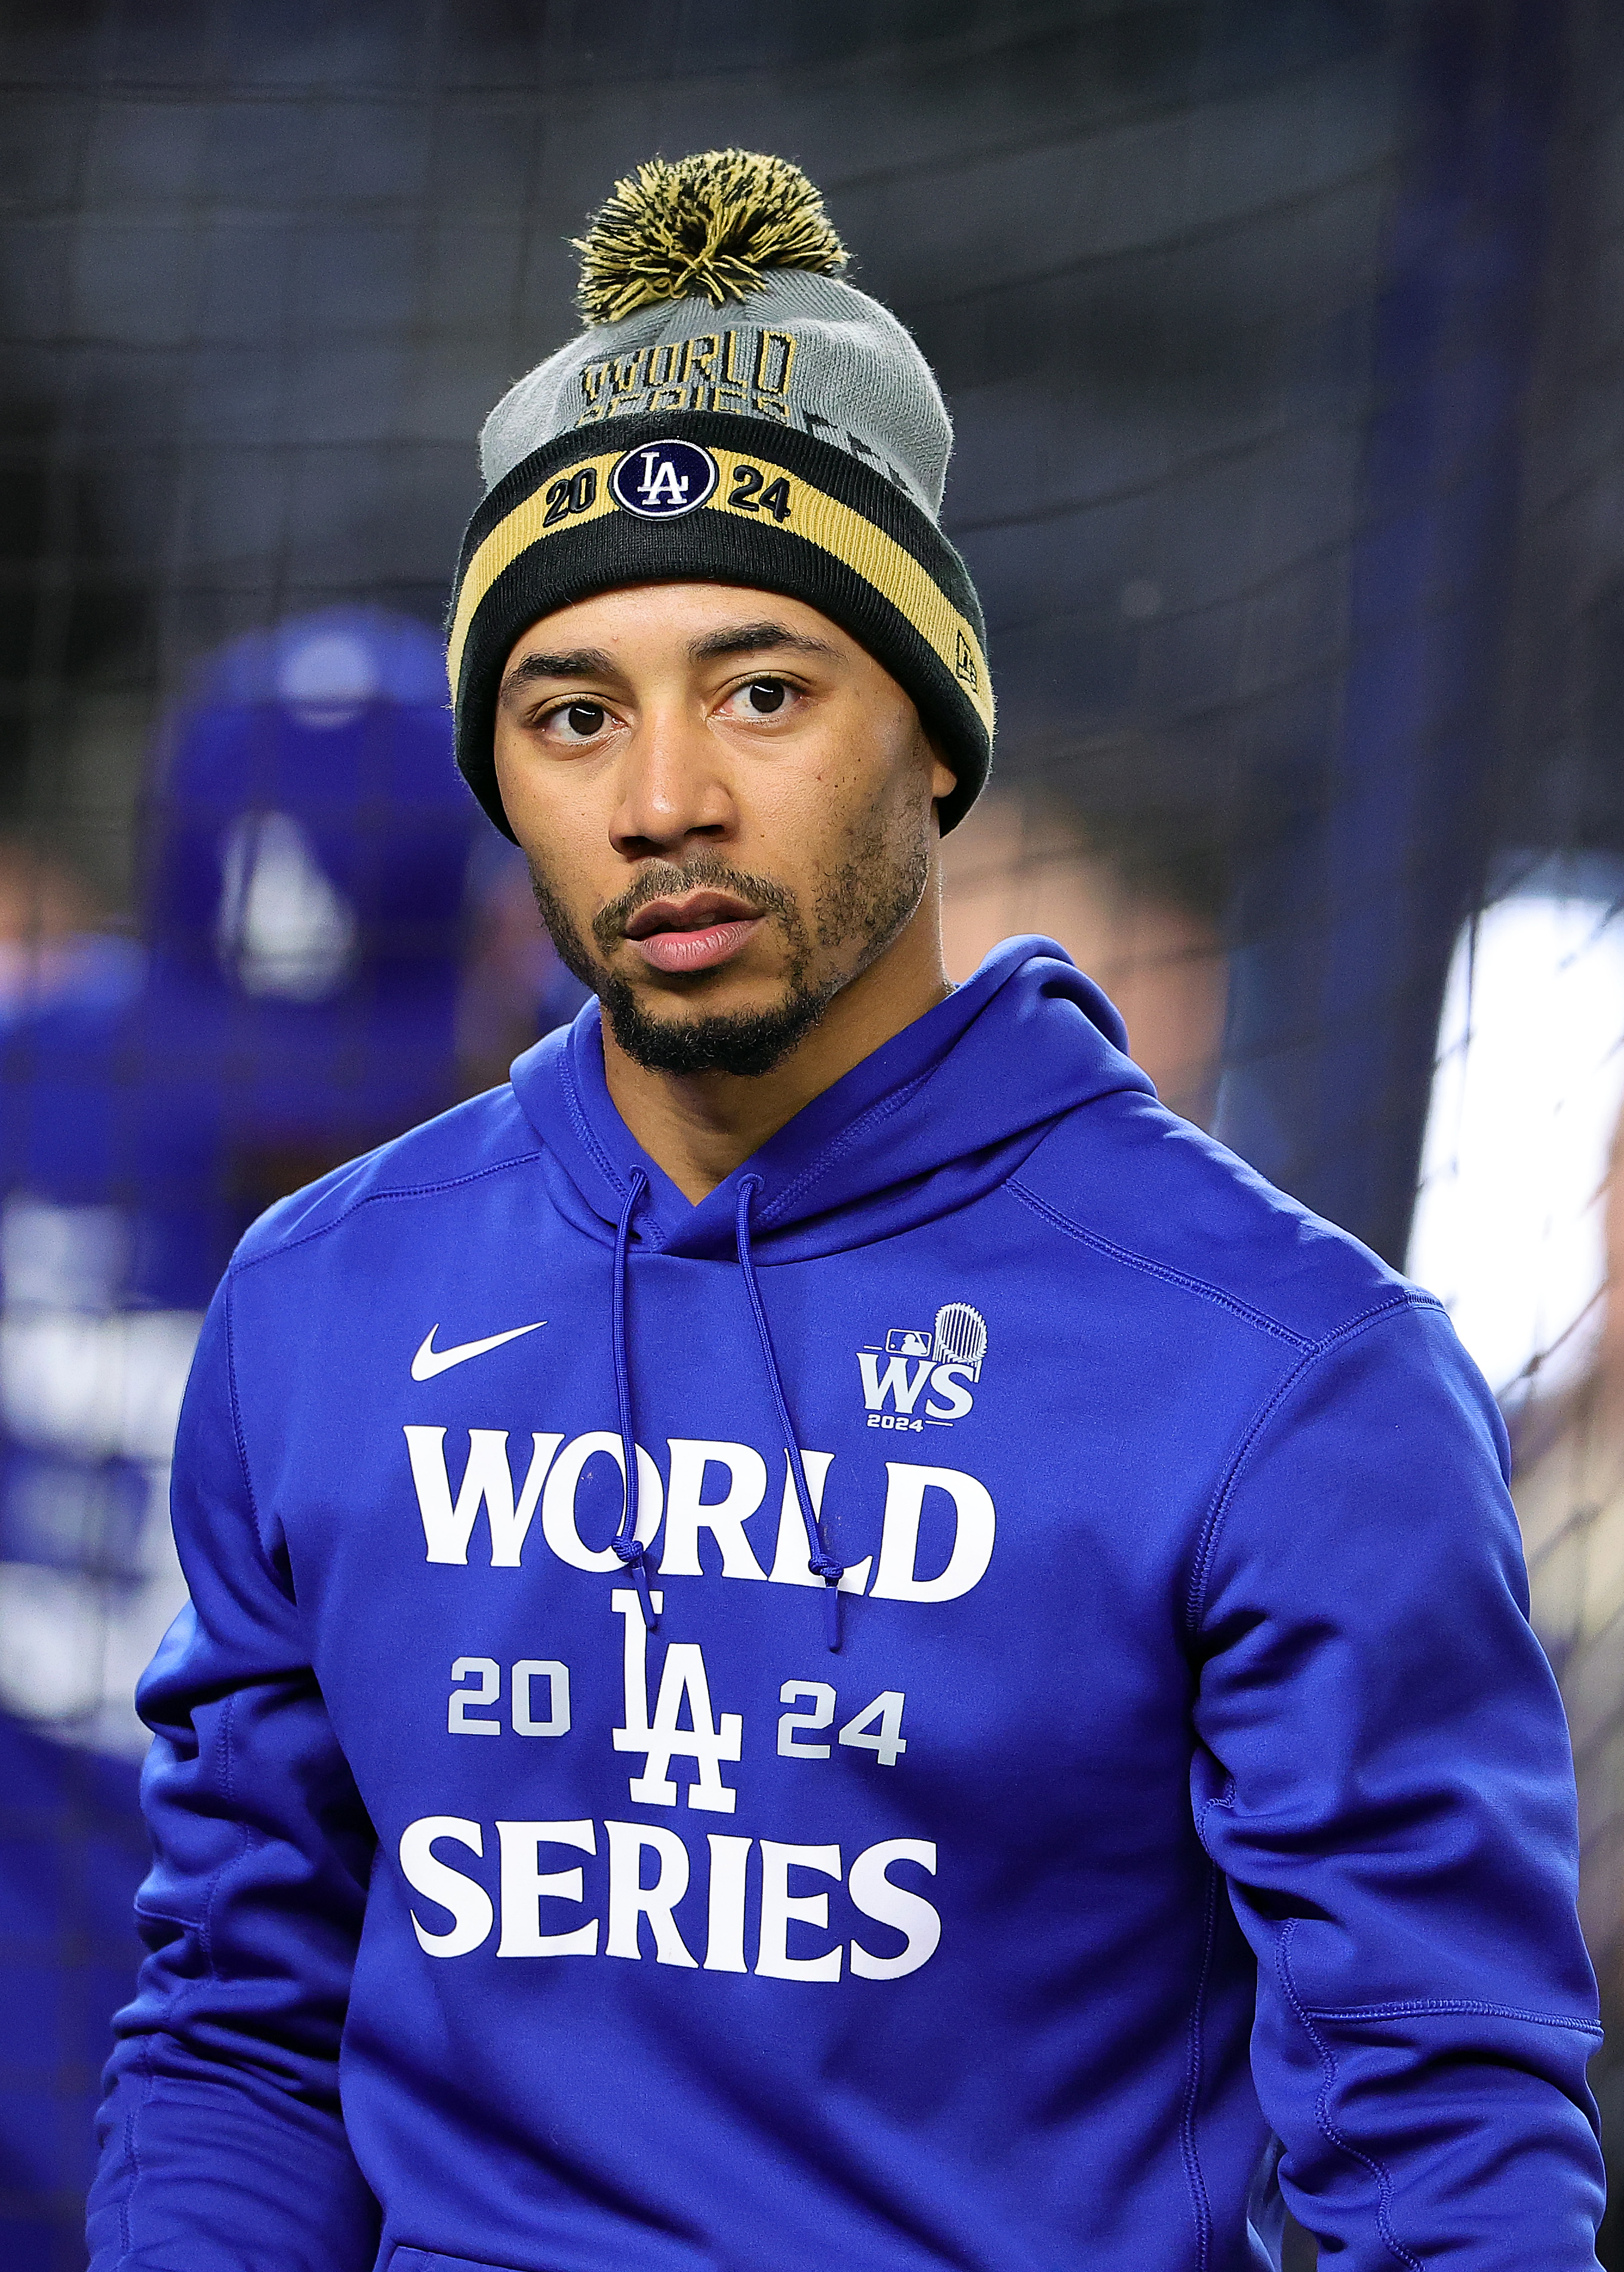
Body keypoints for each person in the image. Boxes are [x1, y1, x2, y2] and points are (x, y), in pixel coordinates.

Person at [90, 150, 1604, 2272]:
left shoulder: (1291, 1369)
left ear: (939, 737)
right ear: (499, 774)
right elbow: (241, 2031)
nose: (667, 797)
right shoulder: (329, 1294)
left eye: (765, 689)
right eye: (572, 711)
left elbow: (1443, 2138)